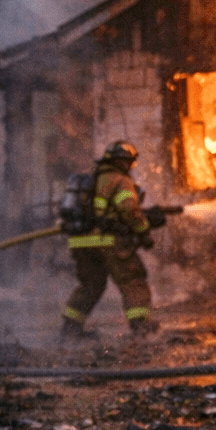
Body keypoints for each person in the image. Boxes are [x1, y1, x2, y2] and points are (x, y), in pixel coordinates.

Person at [61, 140, 160, 339]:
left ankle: (70, 328)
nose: (129, 166)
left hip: (82, 243)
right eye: (128, 162)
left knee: (92, 285)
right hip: (109, 242)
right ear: (122, 162)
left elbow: (104, 212)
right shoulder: (120, 180)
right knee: (132, 280)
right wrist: (144, 232)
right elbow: (129, 210)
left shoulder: (92, 180)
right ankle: (141, 327)